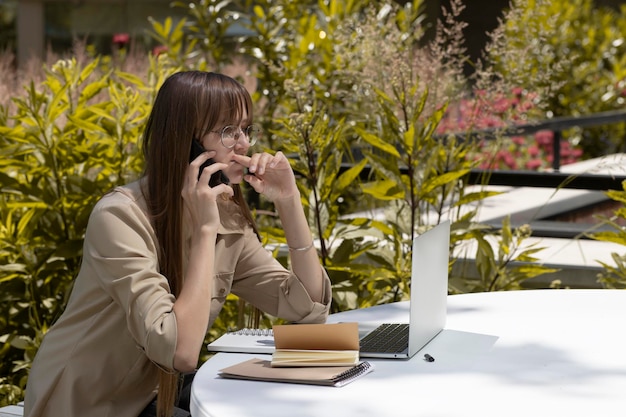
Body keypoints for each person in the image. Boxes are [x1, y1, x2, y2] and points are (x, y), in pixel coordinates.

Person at [24, 71, 332, 417]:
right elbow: (180, 351)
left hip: (155, 396)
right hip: (87, 404)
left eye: (246, 129)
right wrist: (204, 232)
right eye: (228, 132)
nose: (244, 143)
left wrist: (289, 201)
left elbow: (307, 307)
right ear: (188, 144)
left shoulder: (225, 217)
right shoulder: (120, 217)